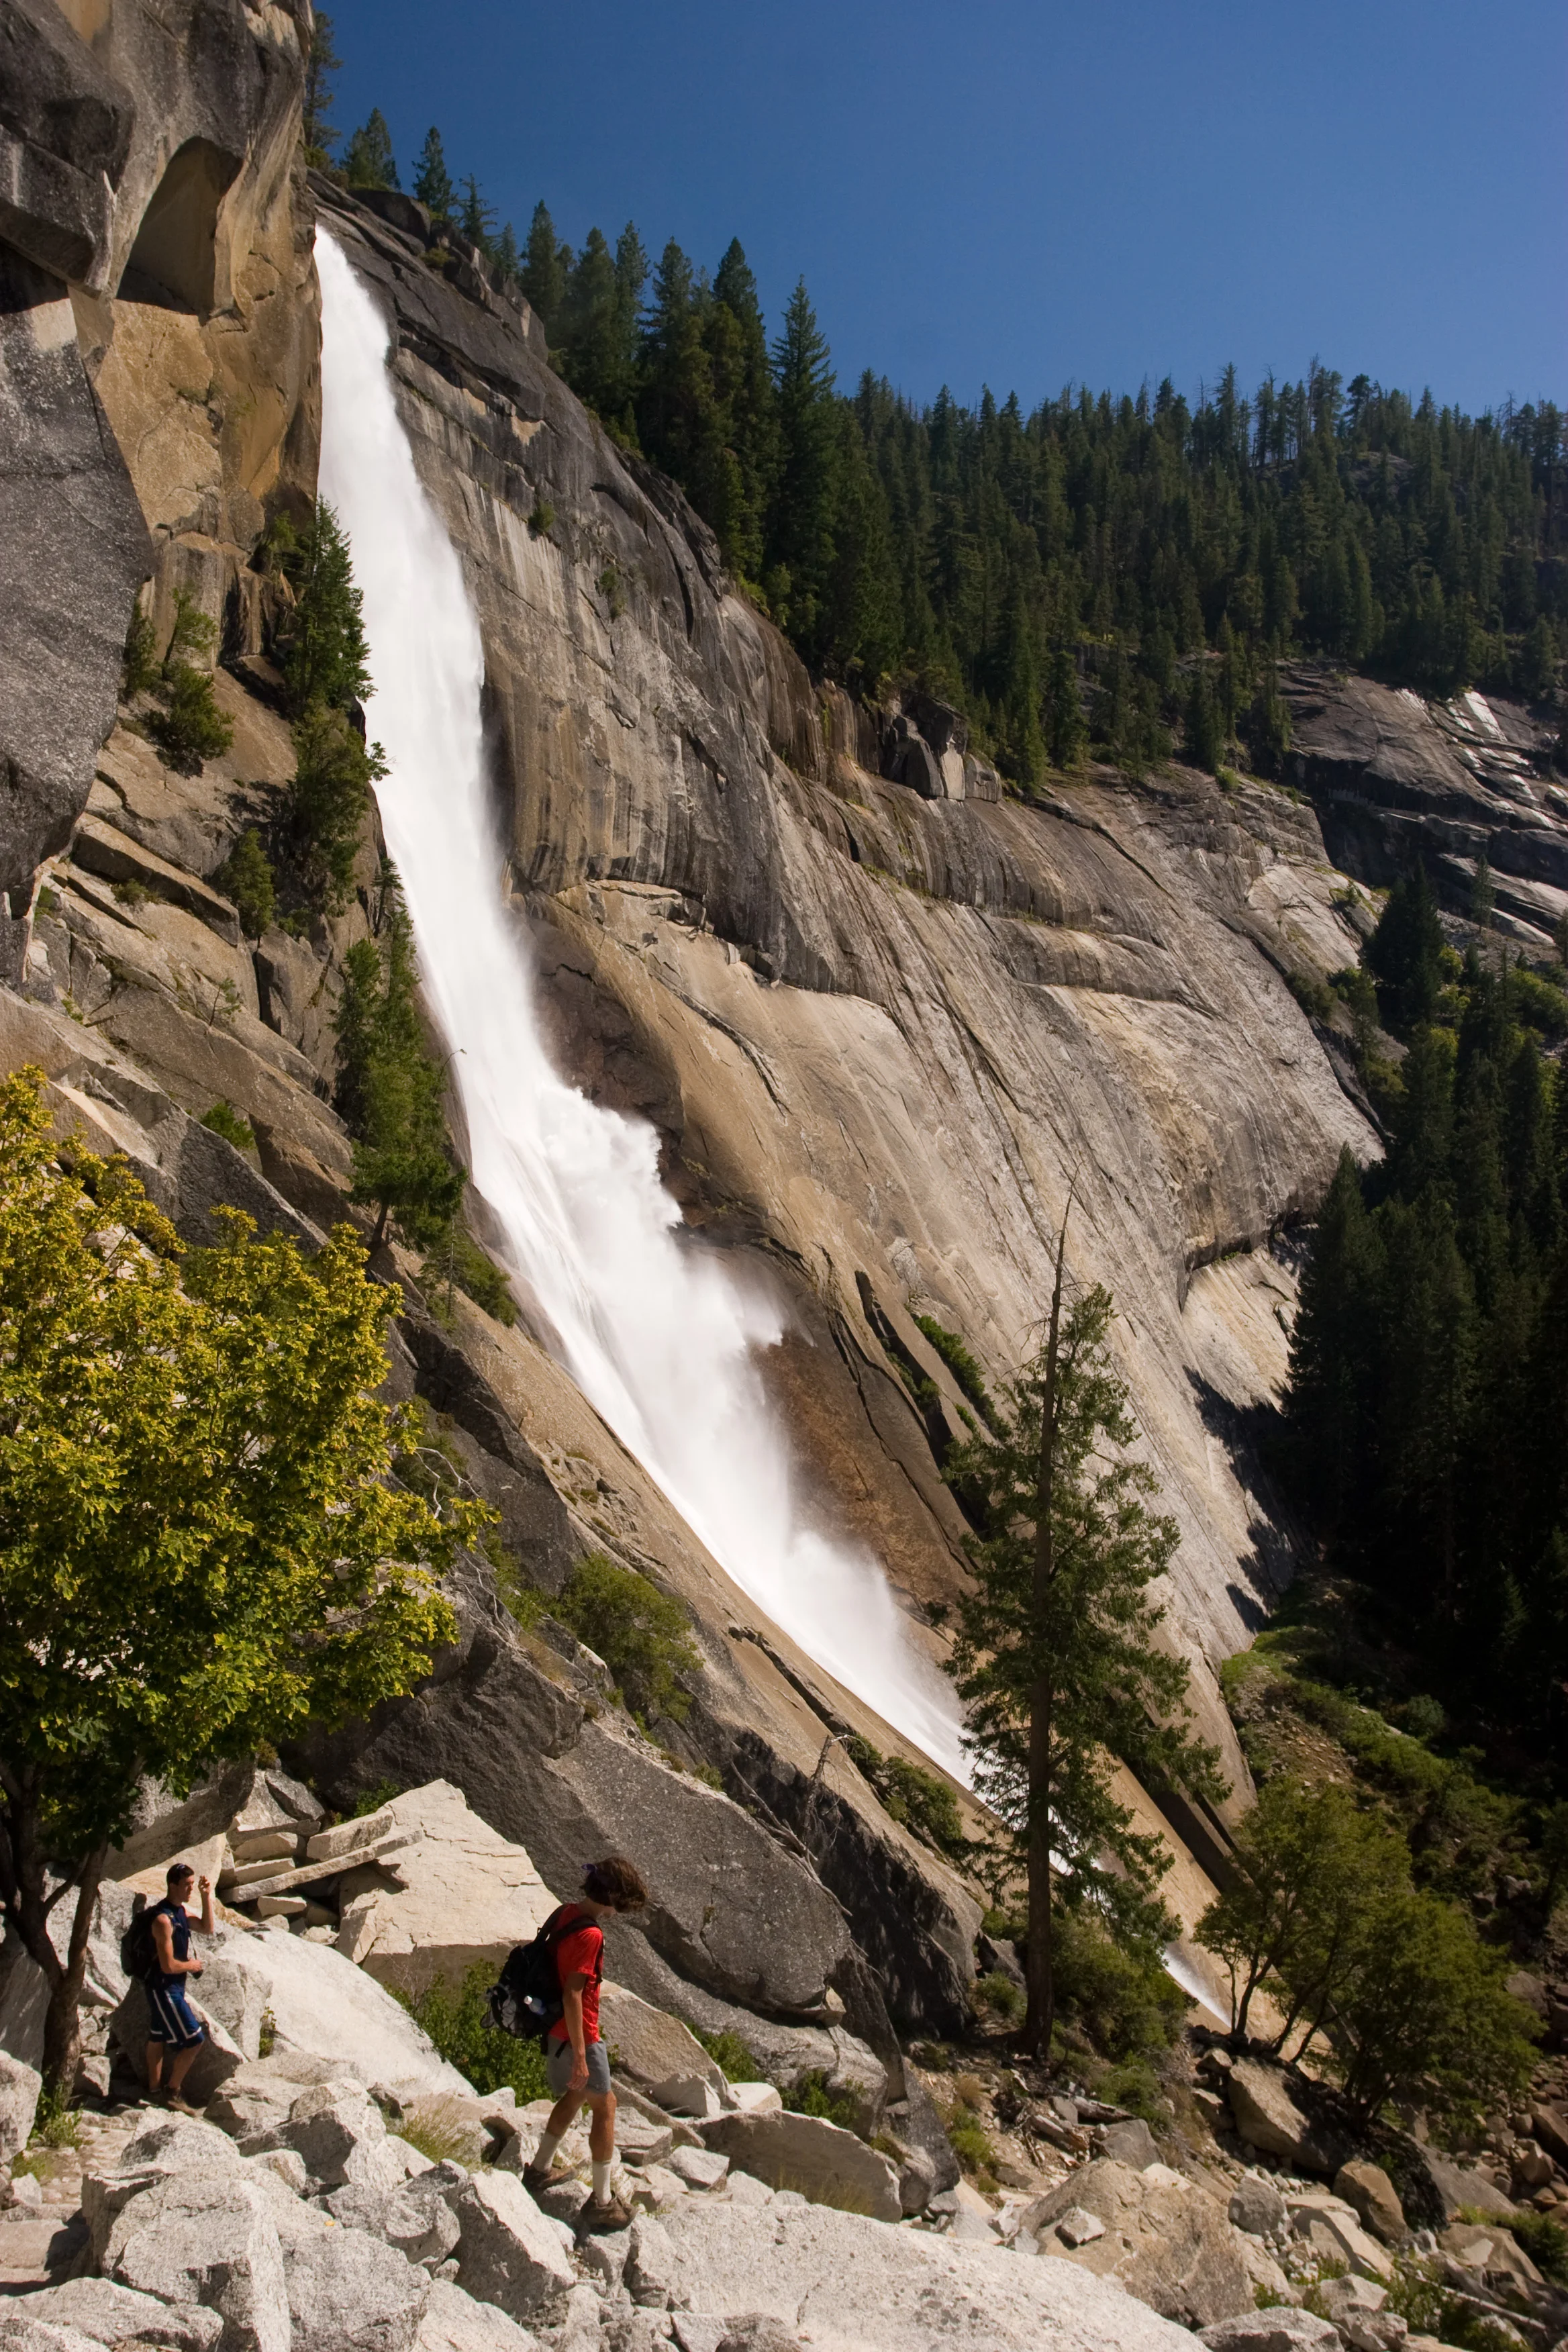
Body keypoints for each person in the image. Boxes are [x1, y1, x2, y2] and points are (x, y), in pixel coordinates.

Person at [524, 1855, 649, 2231]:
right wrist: (582, 2055)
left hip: (555, 2030)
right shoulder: (591, 1934)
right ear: (612, 1897)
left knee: (576, 2096)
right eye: (620, 1905)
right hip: (580, 2034)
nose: (617, 1913)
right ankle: (602, 2202)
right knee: (606, 2106)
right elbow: (573, 1994)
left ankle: (540, 2169)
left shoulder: (566, 1913)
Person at [144, 1860, 215, 2112]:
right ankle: (172, 2092)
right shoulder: (163, 1920)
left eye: (193, 1885)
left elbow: (207, 1928)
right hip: (164, 1987)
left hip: (169, 1987)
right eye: (186, 1885)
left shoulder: (181, 1914)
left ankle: (153, 2090)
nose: (190, 1890)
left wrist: (207, 1897)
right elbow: (168, 1965)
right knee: (195, 2039)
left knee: (157, 2037)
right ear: (172, 1885)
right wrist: (193, 1966)